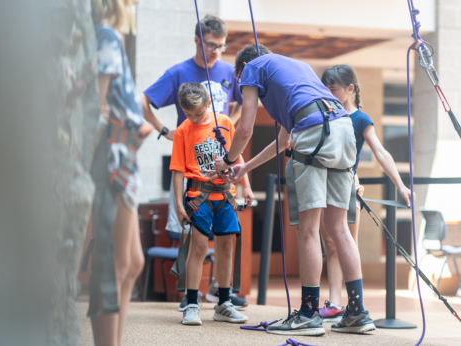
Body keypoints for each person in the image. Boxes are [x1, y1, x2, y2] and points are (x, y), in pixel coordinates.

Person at [215, 44, 376, 336]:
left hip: (314, 133)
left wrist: (227, 161)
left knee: (308, 229)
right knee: (339, 228)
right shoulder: (295, 67)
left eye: (240, 81)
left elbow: (245, 129)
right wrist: (245, 167)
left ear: (242, 70)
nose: (243, 86)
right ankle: (357, 312)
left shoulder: (253, 69)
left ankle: (308, 314)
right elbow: (284, 139)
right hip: (341, 129)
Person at [141, 14, 247, 310]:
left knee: (226, 238)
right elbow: (143, 101)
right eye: (211, 45)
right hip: (193, 165)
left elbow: (244, 103)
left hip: (222, 167)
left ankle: (219, 292)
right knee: (195, 239)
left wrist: (230, 126)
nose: (216, 51)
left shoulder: (228, 70)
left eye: (222, 46)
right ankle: (189, 297)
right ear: (198, 40)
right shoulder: (179, 72)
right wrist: (167, 133)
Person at [318, 64, 413, 322]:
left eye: (333, 88)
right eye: (324, 88)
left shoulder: (360, 118)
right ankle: (333, 302)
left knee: (347, 243)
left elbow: (381, 152)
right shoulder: (324, 115)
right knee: (329, 244)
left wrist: (401, 185)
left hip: (348, 186)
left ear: (350, 89)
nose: (328, 92)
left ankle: (354, 305)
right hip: (322, 184)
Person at [89, 1, 152, 345]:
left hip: (124, 156)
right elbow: (97, 109)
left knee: (132, 263)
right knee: (114, 264)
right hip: (113, 157)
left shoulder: (111, 37)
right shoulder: (106, 37)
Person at [170, 83, 253, 325]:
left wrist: (246, 185)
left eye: (198, 113)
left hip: (225, 194)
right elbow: (177, 171)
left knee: (226, 248)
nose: (194, 119)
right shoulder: (182, 131)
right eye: (188, 114)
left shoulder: (224, 122)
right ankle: (192, 304)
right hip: (199, 196)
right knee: (198, 248)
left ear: (208, 104)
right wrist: (178, 205)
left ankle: (224, 303)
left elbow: (236, 154)